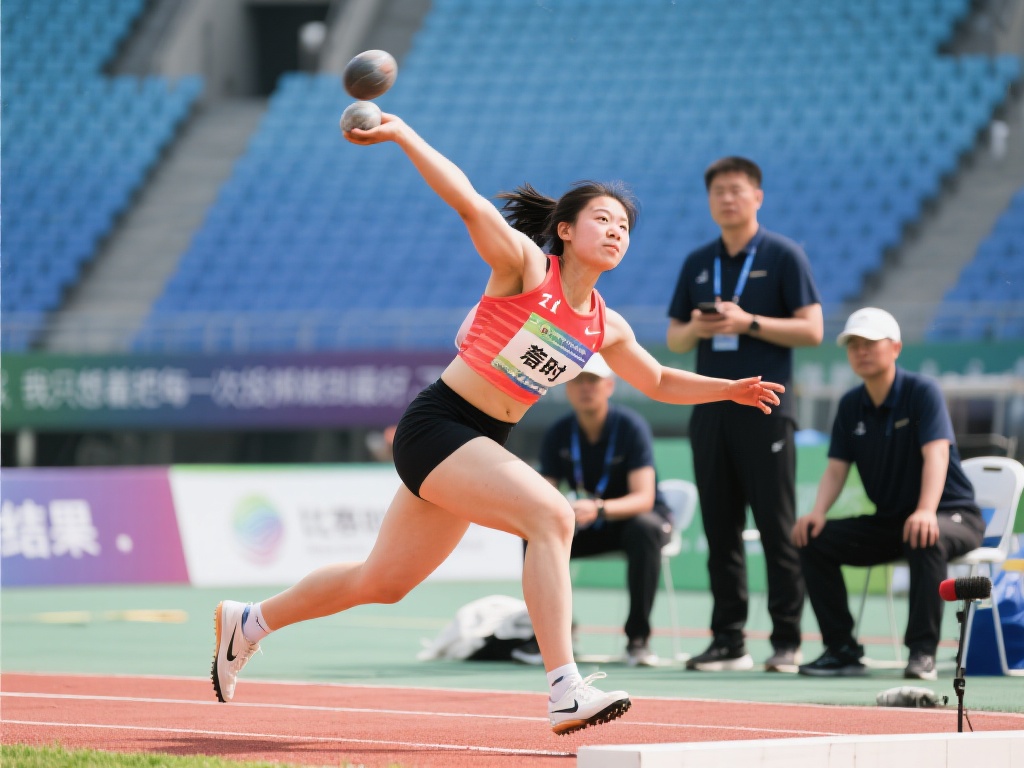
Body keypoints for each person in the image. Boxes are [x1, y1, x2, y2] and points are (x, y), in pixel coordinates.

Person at [211, 113, 785, 736]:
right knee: (553, 515)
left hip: (481, 442)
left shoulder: (605, 323)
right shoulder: (524, 268)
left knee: (382, 581)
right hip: (439, 425)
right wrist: (403, 135)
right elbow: (466, 199)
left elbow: (659, 381)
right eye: (602, 219)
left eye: (624, 226)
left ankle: (250, 622)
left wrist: (727, 388)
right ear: (564, 230)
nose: (617, 231)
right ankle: (564, 686)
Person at [666, 156, 823, 673]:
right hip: (711, 406)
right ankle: (728, 639)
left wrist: (748, 321)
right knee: (720, 530)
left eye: (737, 190)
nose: (727, 199)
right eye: (718, 192)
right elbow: (675, 338)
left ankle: (786, 641)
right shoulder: (696, 261)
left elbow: (813, 330)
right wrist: (700, 328)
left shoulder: (783, 255)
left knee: (776, 528)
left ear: (757, 196)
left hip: (767, 407)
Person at [792, 307, 985, 680]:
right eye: (854, 345)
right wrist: (817, 512)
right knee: (813, 540)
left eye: (870, 343)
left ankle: (922, 652)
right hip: (894, 522)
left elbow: (937, 454)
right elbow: (836, 469)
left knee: (925, 536)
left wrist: (927, 510)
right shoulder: (851, 405)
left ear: (895, 347)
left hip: (952, 515)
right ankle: (842, 649)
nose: (861, 351)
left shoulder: (921, 392)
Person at [512, 352, 673, 668]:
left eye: (593, 381)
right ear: (567, 388)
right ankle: (552, 634)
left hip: (634, 523)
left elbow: (644, 498)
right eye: (578, 381)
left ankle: (638, 640)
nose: (585, 387)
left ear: (609, 386)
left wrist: (598, 508)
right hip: (588, 521)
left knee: (645, 528)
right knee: (534, 533)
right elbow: (542, 492)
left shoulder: (630, 427)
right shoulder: (559, 431)